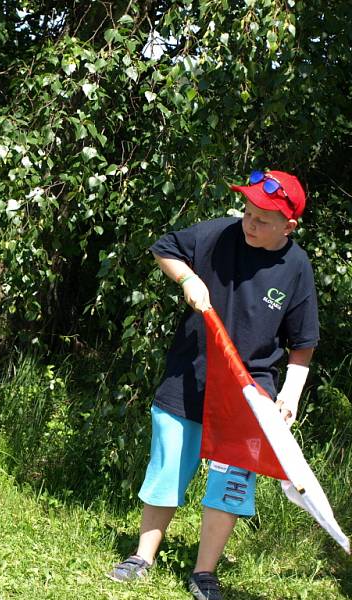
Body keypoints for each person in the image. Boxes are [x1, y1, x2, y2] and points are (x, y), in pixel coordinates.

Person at [107, 170, 319, 600]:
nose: (250, 223)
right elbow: (164, 248)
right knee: (167, 467)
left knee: (230, 483)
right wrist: (187, 278)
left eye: (262, 219)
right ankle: (143, 556)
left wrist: (289, 394)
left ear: (288, 227)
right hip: (189, 375)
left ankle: (204, 572)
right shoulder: (219, 234)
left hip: (248, 393)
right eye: (248, 212)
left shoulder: (296, 268)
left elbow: (303, 343)